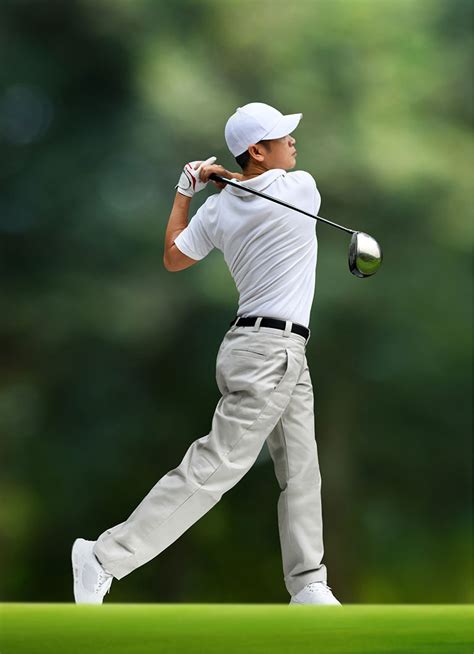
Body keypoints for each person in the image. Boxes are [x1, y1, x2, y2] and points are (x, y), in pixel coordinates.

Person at [72, 102, 341, 606]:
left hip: (268, 348)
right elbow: (260, 189)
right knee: (217, 465)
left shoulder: (217, 210)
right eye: (282, 136)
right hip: (270, 353)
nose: (292, 141)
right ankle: (104, 556)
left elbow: (174, 256)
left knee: (302, 468)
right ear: (257, 151)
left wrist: (187, 190)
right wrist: (224, 179)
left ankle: (308, 583)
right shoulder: (301, 188)